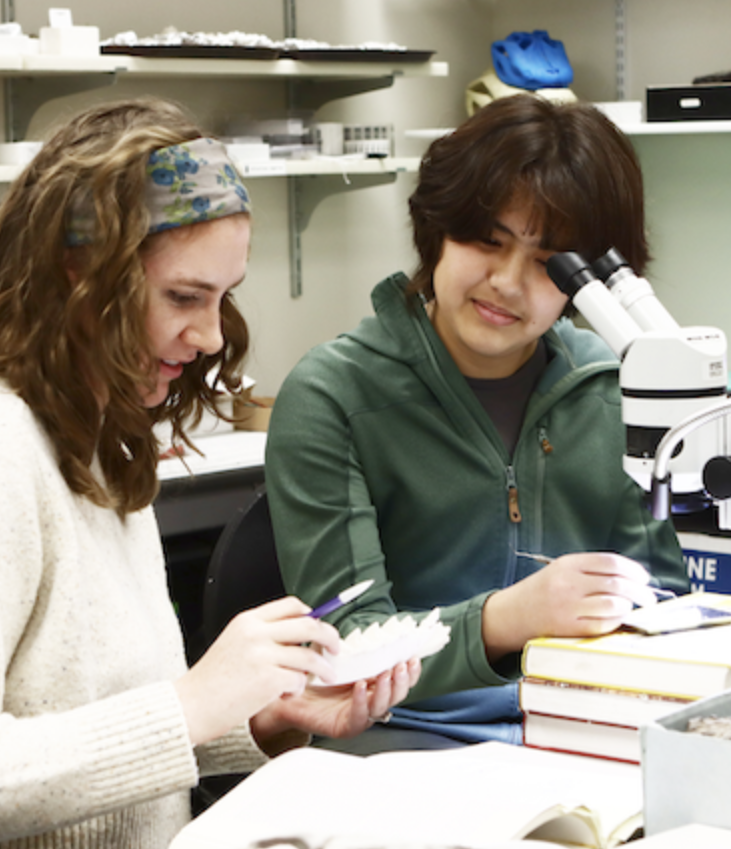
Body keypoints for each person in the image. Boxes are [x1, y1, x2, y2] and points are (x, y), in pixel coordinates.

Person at [0, 97, 419, 849]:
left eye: (222, 298)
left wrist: (260, 717)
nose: (209, 337)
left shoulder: (94, 432)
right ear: (79, 275)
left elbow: (104, 726)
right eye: (183, 297)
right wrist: (189, 704)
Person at [265, 94, 690, 746]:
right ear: (436, 227)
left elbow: (670, 600)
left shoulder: (617, 385)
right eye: (485, 241)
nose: (507, 282)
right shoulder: (334, 395)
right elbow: (347, 650)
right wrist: (505, 619)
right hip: (400, 737)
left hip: (587, 731)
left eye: (549, 263)